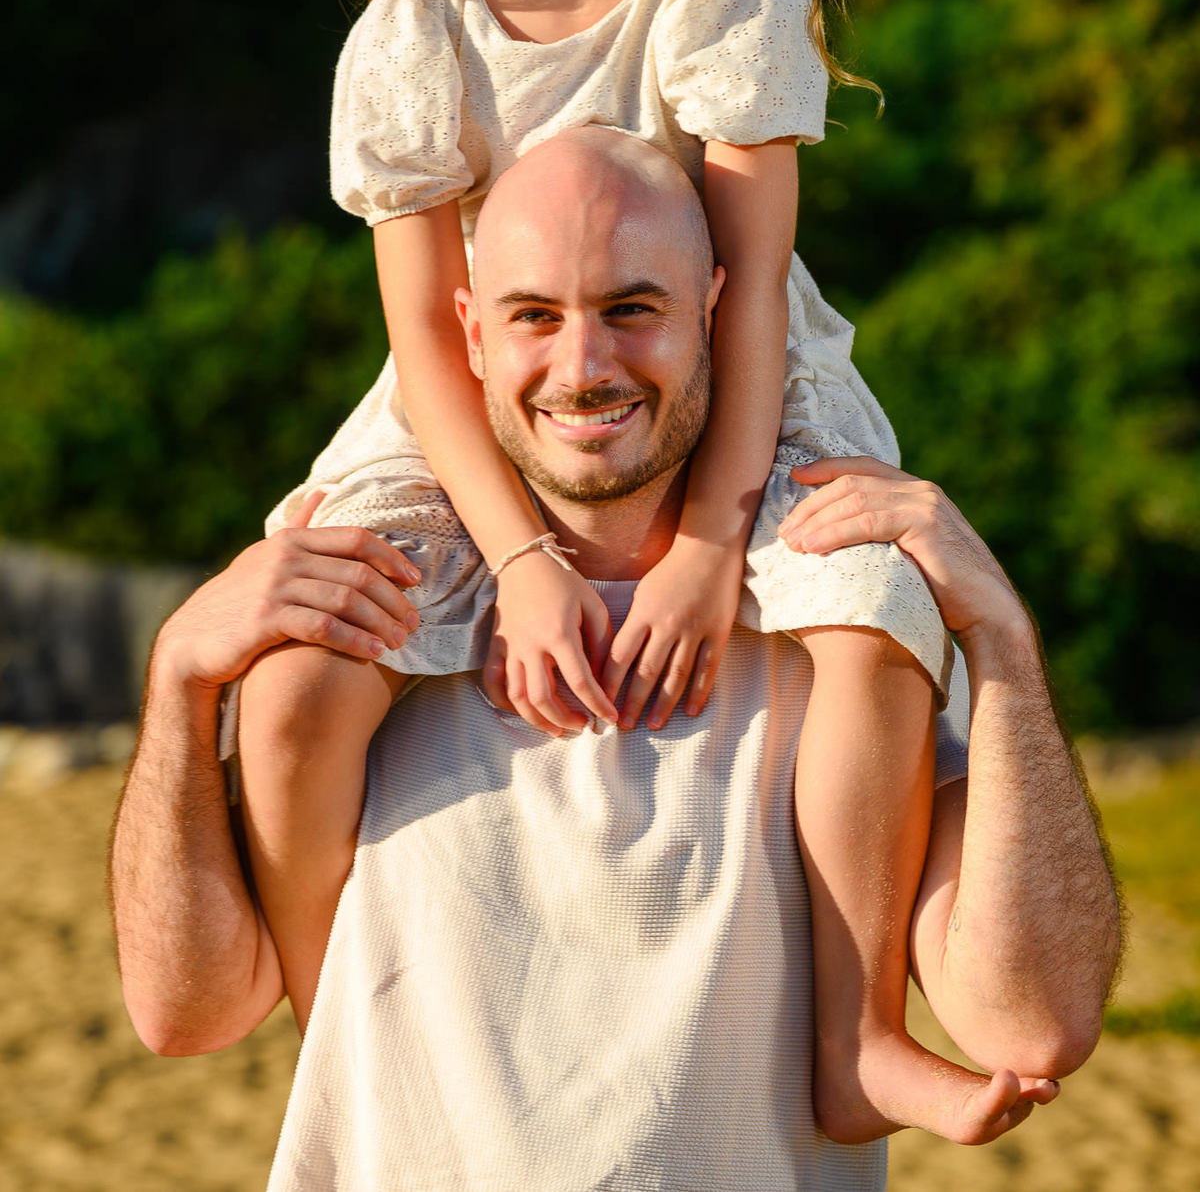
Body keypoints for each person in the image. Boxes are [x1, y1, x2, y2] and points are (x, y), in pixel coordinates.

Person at [237, 0, 990, 1141]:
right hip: (471, 396)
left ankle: (857, 1026)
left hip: (727, 370)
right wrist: (519, 560)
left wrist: (711, 543)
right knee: (301, 680)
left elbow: (753, 284)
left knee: (869, 619)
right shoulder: (416, 34)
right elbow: (424, 335)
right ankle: (335, 1023)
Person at [110, 130, 1121, 1192]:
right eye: (533, 316)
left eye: (634, 308)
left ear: (721, 313)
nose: (584, 368)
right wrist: (179, 679)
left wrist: (1002, 640)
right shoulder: (374, 631)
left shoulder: (836, 636)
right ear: (471, 334)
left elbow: (1035, 1025)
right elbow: (183, 1013)